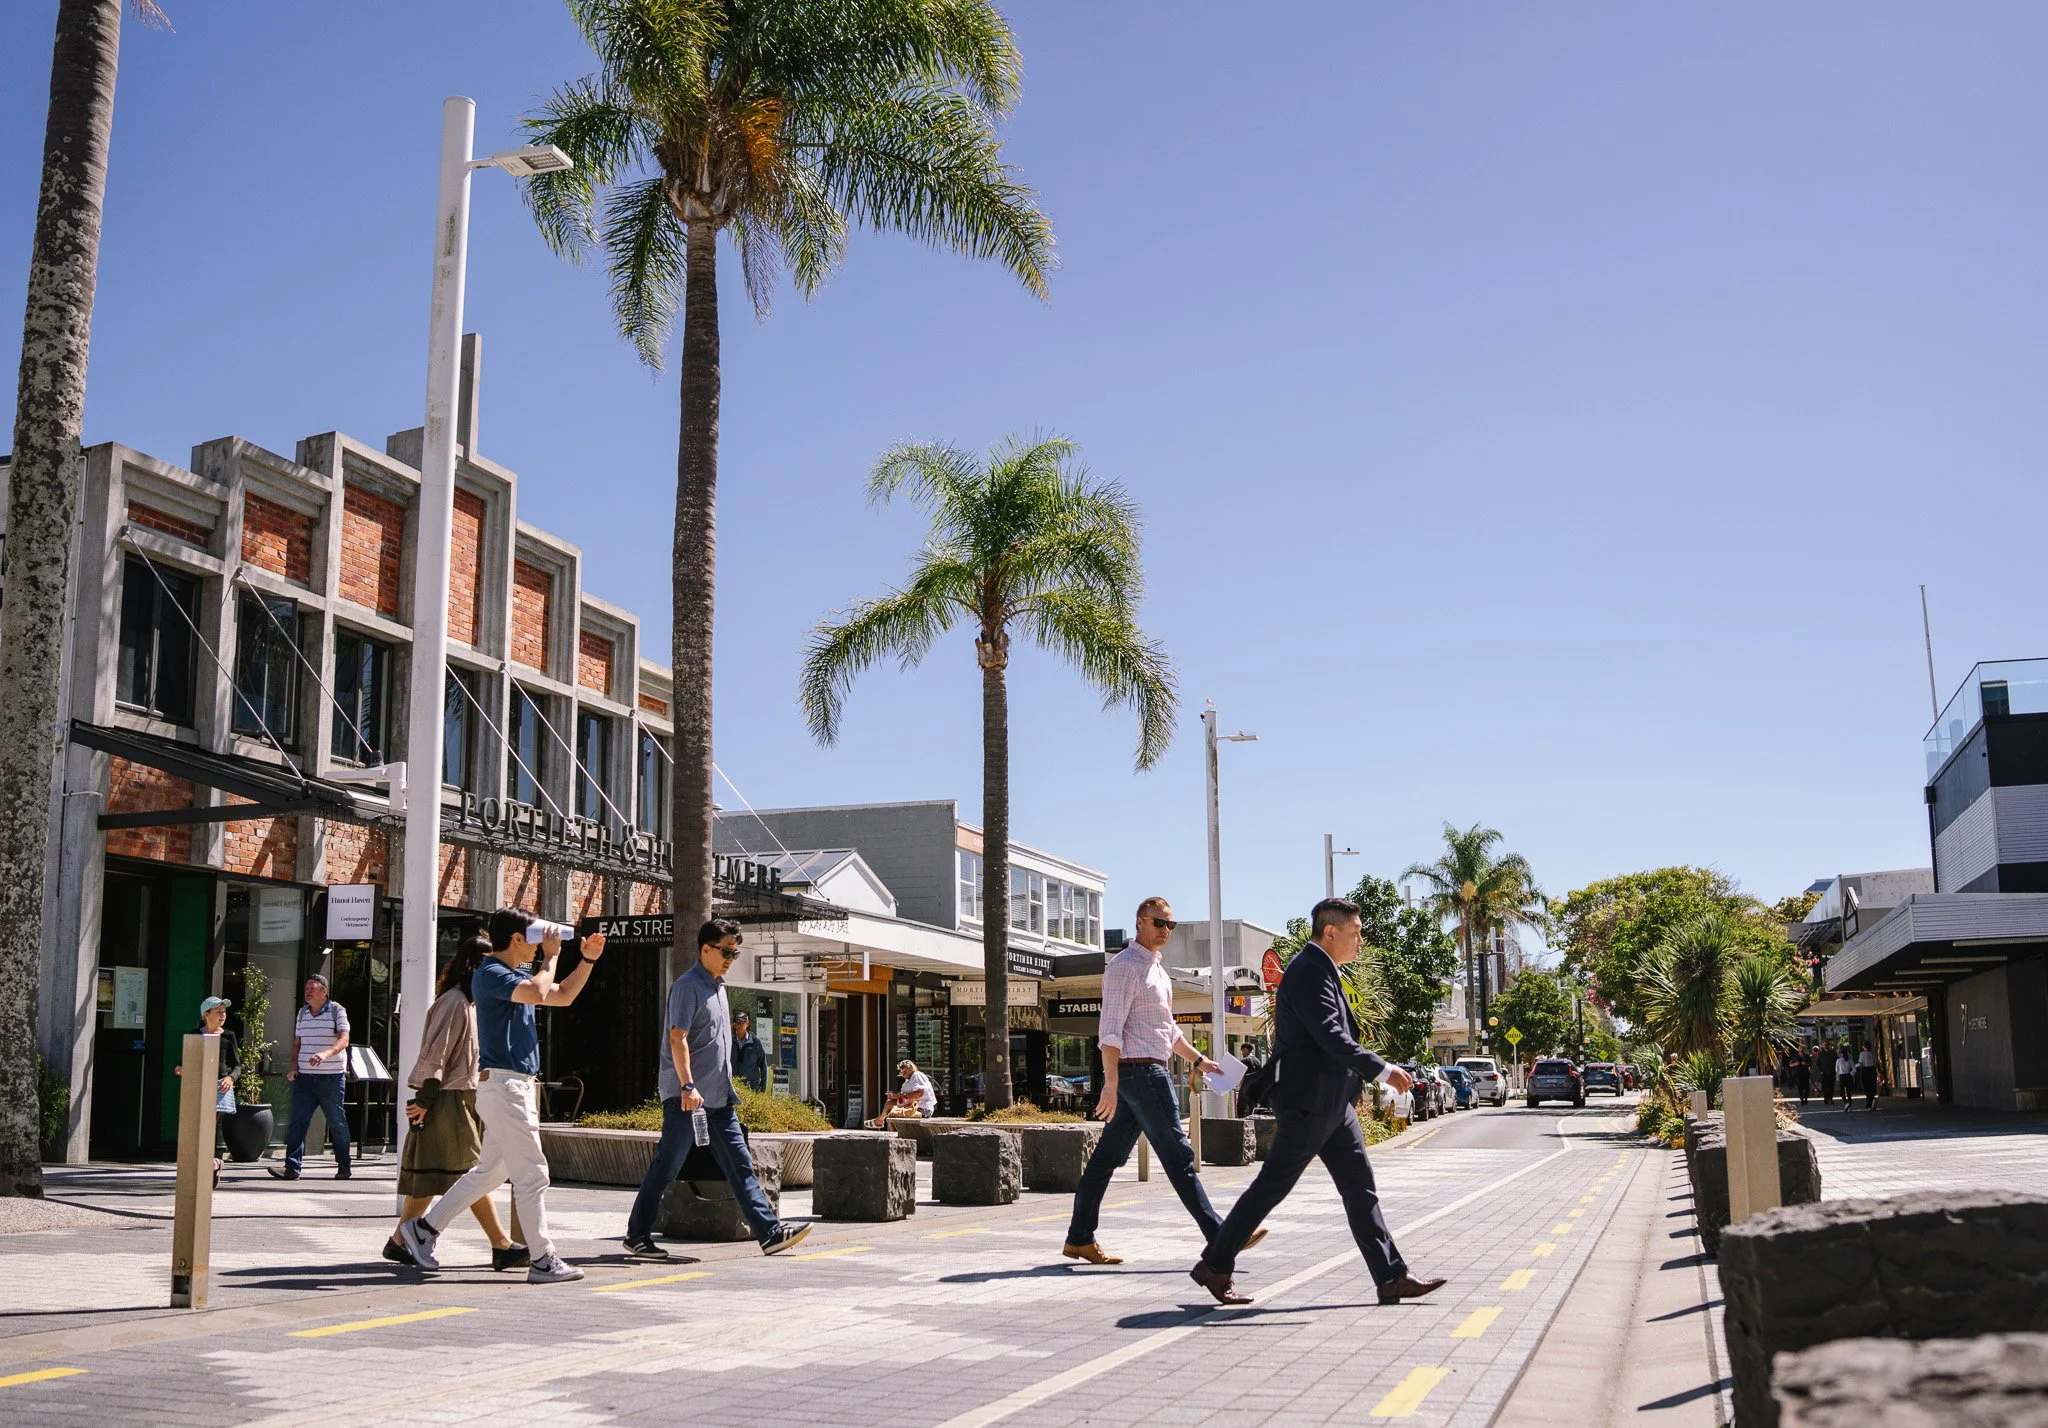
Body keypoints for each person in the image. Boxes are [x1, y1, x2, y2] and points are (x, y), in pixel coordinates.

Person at [1191, 897, 1448, 1307]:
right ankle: (1215, 1264)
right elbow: (1331, 1036)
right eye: (1356, 932)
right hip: (1309, 1105)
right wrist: (1382, 1069)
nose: (1361, 940)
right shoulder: (1308, 972)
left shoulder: (1321, 970)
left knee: (1361, 1191)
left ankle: (1390, 1276)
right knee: (1271, 1188)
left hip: (1334, 1107)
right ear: (1331, 932)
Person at [397, 909, 606, 1284]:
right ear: (516, 940)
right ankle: (543, 1258)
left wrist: (587, 960)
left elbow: (561, 996)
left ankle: (423, 1229)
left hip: (511, 1087)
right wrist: (553, 954)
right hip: (506, 1087)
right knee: (533, 1173)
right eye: (534, 937)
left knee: (489, 1173)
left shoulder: (513, 976)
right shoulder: (491, 973)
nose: (538, 944)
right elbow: (543, 990)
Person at [1063, 896, 1243, 1266]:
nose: (1165, 931)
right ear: (1139, 922)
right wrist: (1110, 1082)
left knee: (1107, 1159)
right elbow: (1109, 1031)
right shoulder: (1125, 967)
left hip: (1144, 1070)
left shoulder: (1158, 970)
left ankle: (1079, 1238)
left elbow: (1168, 1029)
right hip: (1140, 1072)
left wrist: (1198, 1059)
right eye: (1158, 923)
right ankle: (1220, 1236)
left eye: (1170, 925)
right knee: (1179, 1155)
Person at [622, 919, 811, 1261]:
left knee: (740, 1165)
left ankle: (769, 1234)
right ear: (705, 948)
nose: (730, 958)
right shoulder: (687, 986)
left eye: (735, 953)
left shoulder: (720, 989)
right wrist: (687, 1085)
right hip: (688, 1097)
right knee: (668, 1165)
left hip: (720, 1098)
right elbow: (677, 1038)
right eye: (725, 951)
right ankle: (637, 1235)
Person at [383, 935, 526, 1272]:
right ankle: (501, 1245)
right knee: (470, 1174)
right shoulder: (455, 1002)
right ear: (473, 966)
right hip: (448, 1101)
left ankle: (399, 1241)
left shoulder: (471, 1003)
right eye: (490, 962)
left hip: (461, 1099)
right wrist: (425, 1099)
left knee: (433, 1175)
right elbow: (436, 1056)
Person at [269, 974, 351, 1181]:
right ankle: (292, 1169)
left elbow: (344, 1040)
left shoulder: (336, 1010)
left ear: (324, 991)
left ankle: (344, 1167)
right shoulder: (302, 1013)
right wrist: (294, 1067)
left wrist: (325, 1054)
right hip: (304, 1078)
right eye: (306, 988)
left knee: (337, 1123)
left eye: (311, 989)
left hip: (331, 1078)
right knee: (297, 1123)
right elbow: (297, 1042)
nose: (307, 992)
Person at [175, 995, 239, 1189]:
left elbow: (237, 1065)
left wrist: (230, 1078)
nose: (223, 1015)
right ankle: (212, 1164)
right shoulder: (195, 1035)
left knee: (209, 1127)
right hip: (198, 1088)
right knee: (197, 1127)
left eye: (224, 1012)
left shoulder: (228, 1036)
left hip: (219, 1089)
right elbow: (183, 1062)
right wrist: (181, 1069)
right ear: (206, 1015)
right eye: (218, 1012)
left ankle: (211, 1163)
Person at [865, 1059, 936, 1128]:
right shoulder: (910, 1079)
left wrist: (900, 1096)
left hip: (923, 1110)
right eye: (902, 1072)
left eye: (905, 1072)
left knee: (892, 1111)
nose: (903, 1074)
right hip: (915, 1107)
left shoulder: (916, 1075)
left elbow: (919, 1094)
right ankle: (880, 1121)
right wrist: (895, 1096)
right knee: (890, 1103)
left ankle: (880, 1121)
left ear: (910, 1069)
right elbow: (908, 1096)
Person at [732, 1011, 769, 1094]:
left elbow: (763, 1066)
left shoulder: (755, 1042)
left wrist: (762, 1089)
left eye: (742, 1023)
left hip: (751, 1090)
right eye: (737, 1023)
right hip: (734, 1089)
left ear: (747, 1024)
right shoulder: (730, 1042)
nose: (739, 1025)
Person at [1858, 1043, 1879, 1110]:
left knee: (1866, 1086)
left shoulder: (1862, 1054)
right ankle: (1872, 1098)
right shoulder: (1873, 1054)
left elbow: (1861, 1064)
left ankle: (1869, 1102)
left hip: (1865, 1070)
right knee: (1872, 1085)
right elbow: (1876, 1064)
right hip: (1872, 1070)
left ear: (1864, 1047)